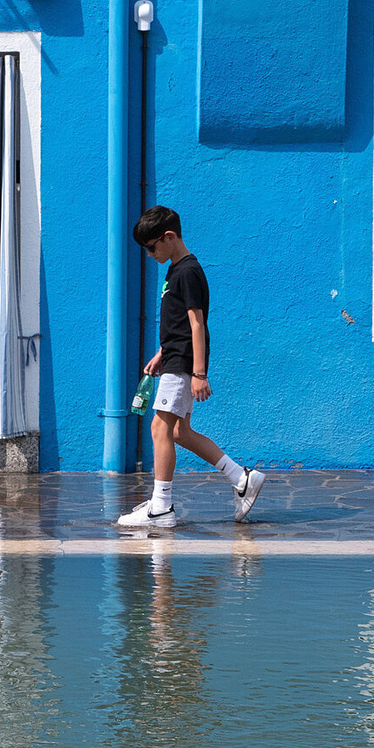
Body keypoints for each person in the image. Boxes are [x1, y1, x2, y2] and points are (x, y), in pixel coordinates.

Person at [118, 205, 264, 528]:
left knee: (159, 428)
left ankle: (161, 507)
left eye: (151, 247)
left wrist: (199, 374)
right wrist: (162, 352)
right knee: (179, 431)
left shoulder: (187, 271)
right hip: (174, 358)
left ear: (169, 237)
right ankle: (241, 478)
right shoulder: (175, 271)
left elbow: (197, 324)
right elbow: (179, 323)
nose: (150, 254)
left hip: (183, 364)